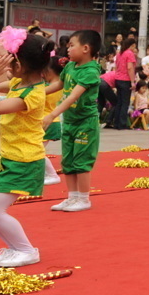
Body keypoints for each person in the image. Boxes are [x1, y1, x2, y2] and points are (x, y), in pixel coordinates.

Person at [0, 29, 52, 267]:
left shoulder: (33, 94)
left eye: (11, 62)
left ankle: (27, 251)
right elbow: (1, 86)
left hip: (24, 160)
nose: (8, 66)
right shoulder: (21, 81)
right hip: (9, 157)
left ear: (19, 65)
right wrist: (3, 52)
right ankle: (14, 248)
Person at [40, 29, 103, 211]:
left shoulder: (90, 71)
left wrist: (52, 114)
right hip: (70, 121)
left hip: (85, 122)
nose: (68, 49)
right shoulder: (69, 66)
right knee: (67, 160)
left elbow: (72, 97)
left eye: (71, 45)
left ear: (85, 48)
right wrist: (36, 93)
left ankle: (84, 199)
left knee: (81, 161)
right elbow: (59, 85)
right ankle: (71, 197)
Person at [110, 36, 137, 130]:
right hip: (126, 79)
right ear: (132, 45)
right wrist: (133, 82)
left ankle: (116, 123)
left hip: (118, 78)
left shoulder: (119, 53)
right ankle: (122, 124)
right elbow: (130, 68)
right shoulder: (130, 54)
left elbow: (116, 66)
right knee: (125, 103)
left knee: (119, 102)